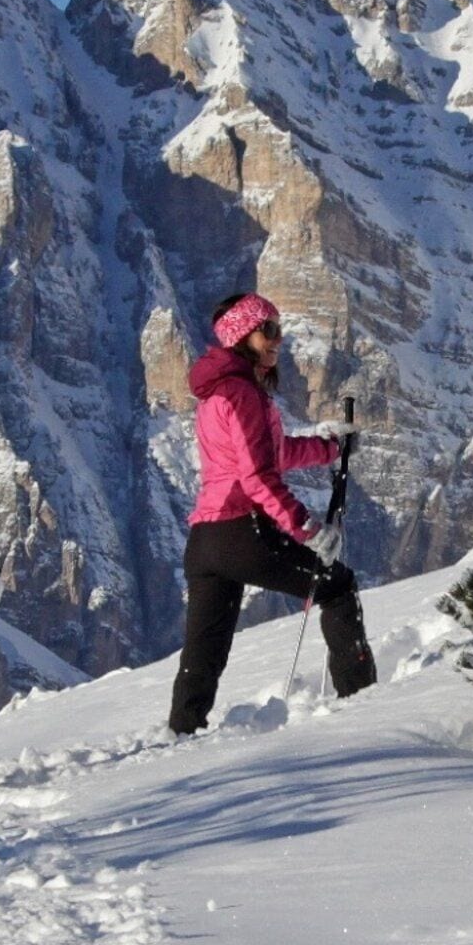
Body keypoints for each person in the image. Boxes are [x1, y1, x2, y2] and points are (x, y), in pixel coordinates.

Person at [167, 293, 377, 734]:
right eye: (269, 330)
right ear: (242, 335)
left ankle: (180, 735)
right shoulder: (244, 394)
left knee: (203, 652)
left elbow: (270, 454)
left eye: (279, 329)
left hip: (205, 540)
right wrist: (307, 529)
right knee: (337, 587)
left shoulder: (218, 392)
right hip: (241, 531)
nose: (278, 339)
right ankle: (365, 708)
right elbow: (258, 477)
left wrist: (329, 447)